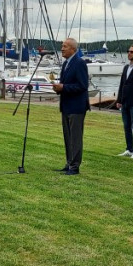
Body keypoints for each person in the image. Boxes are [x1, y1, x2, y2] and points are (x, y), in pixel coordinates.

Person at [52, 37, 89, 176]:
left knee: (75, 138)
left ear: (73, 49)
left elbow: (82, 86)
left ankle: (75, 166)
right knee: (67, 137)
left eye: (65, 46)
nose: (62, 48)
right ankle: (69, 163)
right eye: (62, 46)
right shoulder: (66, 64)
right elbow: (66, 85)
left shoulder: (79, 63)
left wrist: (64, 87)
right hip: (66, 105)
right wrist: (59, 89)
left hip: (76, 107)